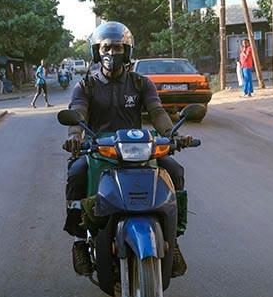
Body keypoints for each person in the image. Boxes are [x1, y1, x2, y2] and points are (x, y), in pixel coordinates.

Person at [63, 21, 193, 277]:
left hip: (137, 148)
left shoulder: (141, 83)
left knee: (174, 170)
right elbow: (78, 112)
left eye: (118, 48)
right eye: (106, 48)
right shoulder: (86, 85)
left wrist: (172, 135)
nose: (112, 54)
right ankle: (80, 239)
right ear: (96, 51)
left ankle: (172, 239)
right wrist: (75, 137)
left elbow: (157, 111)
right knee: (77, 173)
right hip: (99, 149)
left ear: (128, 51)